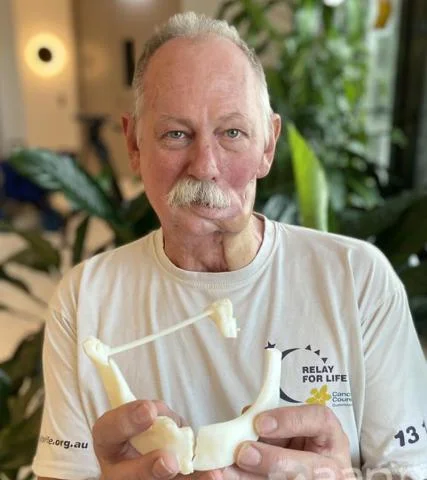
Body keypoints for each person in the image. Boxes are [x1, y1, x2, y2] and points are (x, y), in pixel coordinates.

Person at [33, 11, 427, 480]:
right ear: (134, 145)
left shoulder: (357, 279)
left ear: (268, 145)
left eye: (232, 133)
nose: (205, 165)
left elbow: (412, 468)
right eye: (176, 134)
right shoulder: (86, 300)